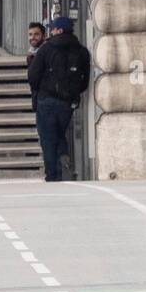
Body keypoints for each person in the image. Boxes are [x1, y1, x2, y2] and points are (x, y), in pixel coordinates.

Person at [27, 15, 91, 182]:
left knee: (48, 138)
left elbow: (33, 76)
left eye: (53, 29)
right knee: (59, 133)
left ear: (59, 30)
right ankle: (63, 159)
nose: (52, 31)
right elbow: (85, 80)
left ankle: (52, 174)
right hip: (67, 103)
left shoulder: (46, 49)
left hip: (46, 100)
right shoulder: (82, 51)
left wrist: (40, 90)